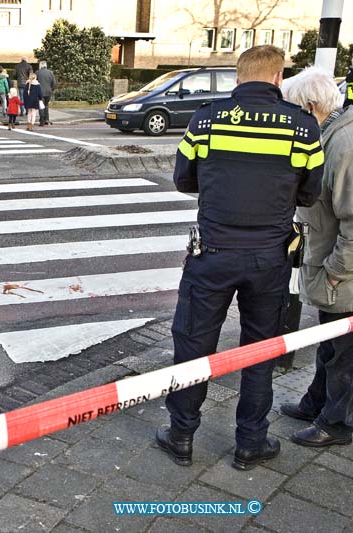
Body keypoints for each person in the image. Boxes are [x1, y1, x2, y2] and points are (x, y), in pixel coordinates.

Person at [154, 45, 323, 471]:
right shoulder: (302, 128)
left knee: (193, 345)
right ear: (278, 77)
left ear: (237, 76)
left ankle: (181, 436)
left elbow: (183, 179)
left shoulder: (206, 119)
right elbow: (309, 192)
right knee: (260, 348)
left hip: (211, 253)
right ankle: (251, 442)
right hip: (269, 259)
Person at [279, 67, 353, 448]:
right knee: (330, 340)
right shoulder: (329, 135)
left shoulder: (345, 144)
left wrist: (338, 272)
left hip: (342, 273)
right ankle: (317, 402)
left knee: (344, 351)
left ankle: (337, 423)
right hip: (328, 264)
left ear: (309, 106)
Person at [36, 60, 56, 126]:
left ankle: (42, 121)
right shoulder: (50, 72)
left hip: (40, 92)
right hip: (48, 91)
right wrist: (51, 89)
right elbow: (54, 83)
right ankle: (46, 119)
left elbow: (35, 82)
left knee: (41, 106)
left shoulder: (37, 72)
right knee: (46, 105)